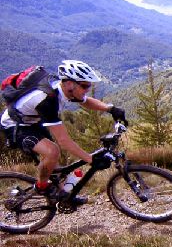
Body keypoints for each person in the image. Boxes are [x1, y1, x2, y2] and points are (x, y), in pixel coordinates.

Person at [1, 60, 127, 202]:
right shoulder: (48, 100)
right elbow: (64, 141)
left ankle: (61, 195)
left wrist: (110, 109)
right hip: (15, 124)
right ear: (69, 84)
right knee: (52, 151)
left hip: (33, 120)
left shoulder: (65, 89)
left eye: (89, 85)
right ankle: (42, 186)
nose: (87, 89)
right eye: (85, 86)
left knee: (54, 165)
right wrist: (91, 160)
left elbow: (85, 101)